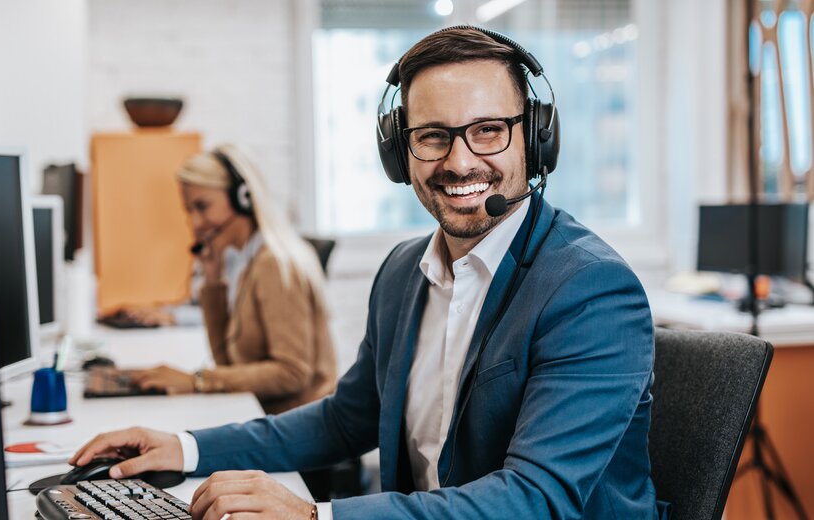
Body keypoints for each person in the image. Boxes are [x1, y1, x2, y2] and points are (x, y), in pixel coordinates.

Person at [71, 27, 667, 519]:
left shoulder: (590, 290)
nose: (460, 161)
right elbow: (344, 419)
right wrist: (183, 446)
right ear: (399, 155)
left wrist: (313, 515)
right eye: (432, 137)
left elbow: (537, 500)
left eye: (489, 130)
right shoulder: (406, 270)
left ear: (536, 140)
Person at [126, 144, 338, 417]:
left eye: (202, 206)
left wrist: (197, 381)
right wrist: (213, 283)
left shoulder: (273, 264)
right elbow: (227, 363)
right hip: (270, 416)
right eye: (189, 210)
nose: (195, 223)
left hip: (301, 426)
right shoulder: (245, 262)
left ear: (243, 198)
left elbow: (292, 373)